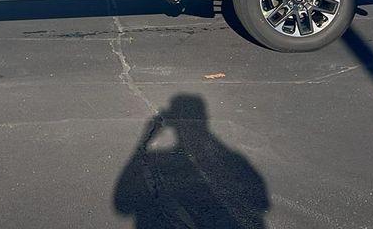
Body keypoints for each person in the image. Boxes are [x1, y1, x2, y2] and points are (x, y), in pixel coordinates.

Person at [113, 95, 269, 229]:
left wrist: (145, 139)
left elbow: (122, 205)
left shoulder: (232, 160)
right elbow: (261, 202)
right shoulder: (234, 159)